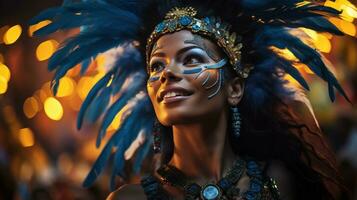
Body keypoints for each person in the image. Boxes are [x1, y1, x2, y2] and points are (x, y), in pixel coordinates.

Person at [31, 0, 354, 199]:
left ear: (235, 88)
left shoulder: (279, 184)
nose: (166, 74)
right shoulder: (129, 199)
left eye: (191, 59)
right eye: (156, 65)